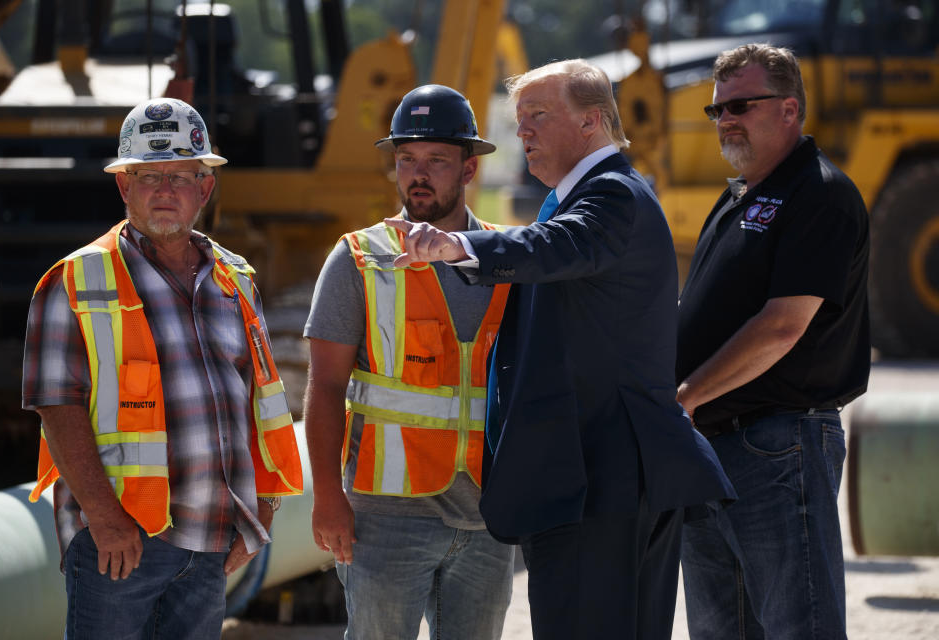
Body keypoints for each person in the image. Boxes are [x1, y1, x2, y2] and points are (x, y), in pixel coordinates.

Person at [385, 60, 735, 640]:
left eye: (539, 117)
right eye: (520, 120)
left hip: (601, 484)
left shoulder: (612, 196)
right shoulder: (584, 198)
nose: (522, 132)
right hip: (596, 481)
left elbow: (554, 246)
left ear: (592, 122)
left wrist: (458, 245)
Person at [23, 98, 304, 639]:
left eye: (180, 176)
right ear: (124, 187)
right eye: (149, 176)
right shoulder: (76, 281)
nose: (164, 191)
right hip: (120, 546)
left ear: (205, 188)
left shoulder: (235, 278)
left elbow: (260, 403)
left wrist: (261, 511)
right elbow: (56, 407)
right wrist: (105, 521)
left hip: (212, 540)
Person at [303, 84, 515, 640]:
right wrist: (327, 497)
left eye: (436, 161)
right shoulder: (359, 258)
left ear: (469, 170)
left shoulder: (507, 257)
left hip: (487, 518)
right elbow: (324, 387)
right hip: (385, 517)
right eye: (406, 160)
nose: (417, 174)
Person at [675, 44, 870, 639]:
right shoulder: (740, 196)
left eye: (740, 105)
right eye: (717, 111)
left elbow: (785, 324)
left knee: (797, 628)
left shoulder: (819, 193)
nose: (725, 120)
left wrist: (683, 395)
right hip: (710, 447)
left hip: (776, 446)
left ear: (789, 109)